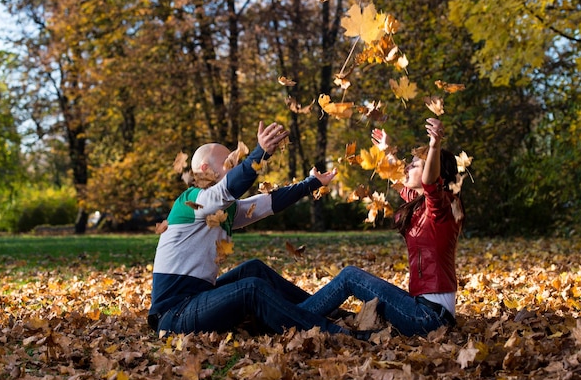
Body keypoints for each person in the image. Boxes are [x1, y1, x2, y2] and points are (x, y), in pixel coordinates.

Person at [148, 121, 369, 339]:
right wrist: (260, 153)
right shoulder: (191, 201)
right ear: (205, 169)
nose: (235, 167)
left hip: (198, 299)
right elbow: (226, 190)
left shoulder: (222, 211)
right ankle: (339, 334)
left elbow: (266, 204)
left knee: (253, 269)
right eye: (229, 164)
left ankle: (328, 312)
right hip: (174, 314)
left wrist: (311, 183)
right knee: (250, 288)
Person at [298, 117, 465, 337]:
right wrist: (387, 151)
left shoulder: (441, 206)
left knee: (350, 276)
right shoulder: (420, 204)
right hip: (423, 309)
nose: (407, 166)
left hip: (429, 317)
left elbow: (430, 183)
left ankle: (288, 317)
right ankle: (294, 312)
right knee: (345, 305)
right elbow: (400, 178)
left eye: (415, 164)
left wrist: (434, 145)